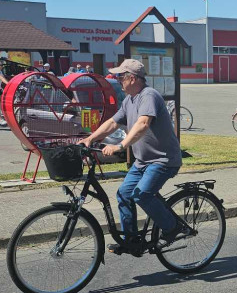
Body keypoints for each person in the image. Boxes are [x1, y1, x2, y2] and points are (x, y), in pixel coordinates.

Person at [78, 58, 186, 252]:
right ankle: (131, 241)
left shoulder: (149, 95)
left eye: (121, 77)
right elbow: (113, 123)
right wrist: (90, 138)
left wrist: (120, 146)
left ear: (133, 78)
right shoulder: (129, 100)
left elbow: (143, 124)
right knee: (124, 194)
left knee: (142, 195)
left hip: (163, 160)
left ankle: (173, 228)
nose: (118, 80)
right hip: (143, 161)